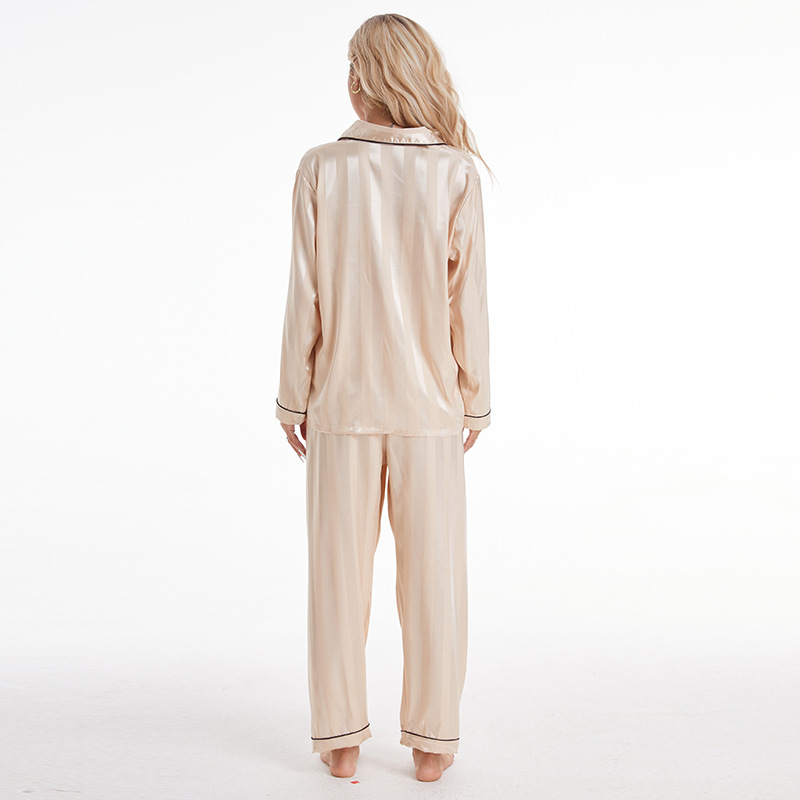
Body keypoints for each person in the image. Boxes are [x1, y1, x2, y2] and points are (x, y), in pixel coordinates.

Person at [275, 13, 492, 783]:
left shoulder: (321, 168)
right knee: (435, 581)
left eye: (352, 67)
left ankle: (339, 738)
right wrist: (475, 399)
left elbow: (305, 294)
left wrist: (293, 396)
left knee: (336, 579)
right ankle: (434, 742)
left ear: (363, 79)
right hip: (430, 409)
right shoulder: (455, 172)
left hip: (340, 405)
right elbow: (468, 302)